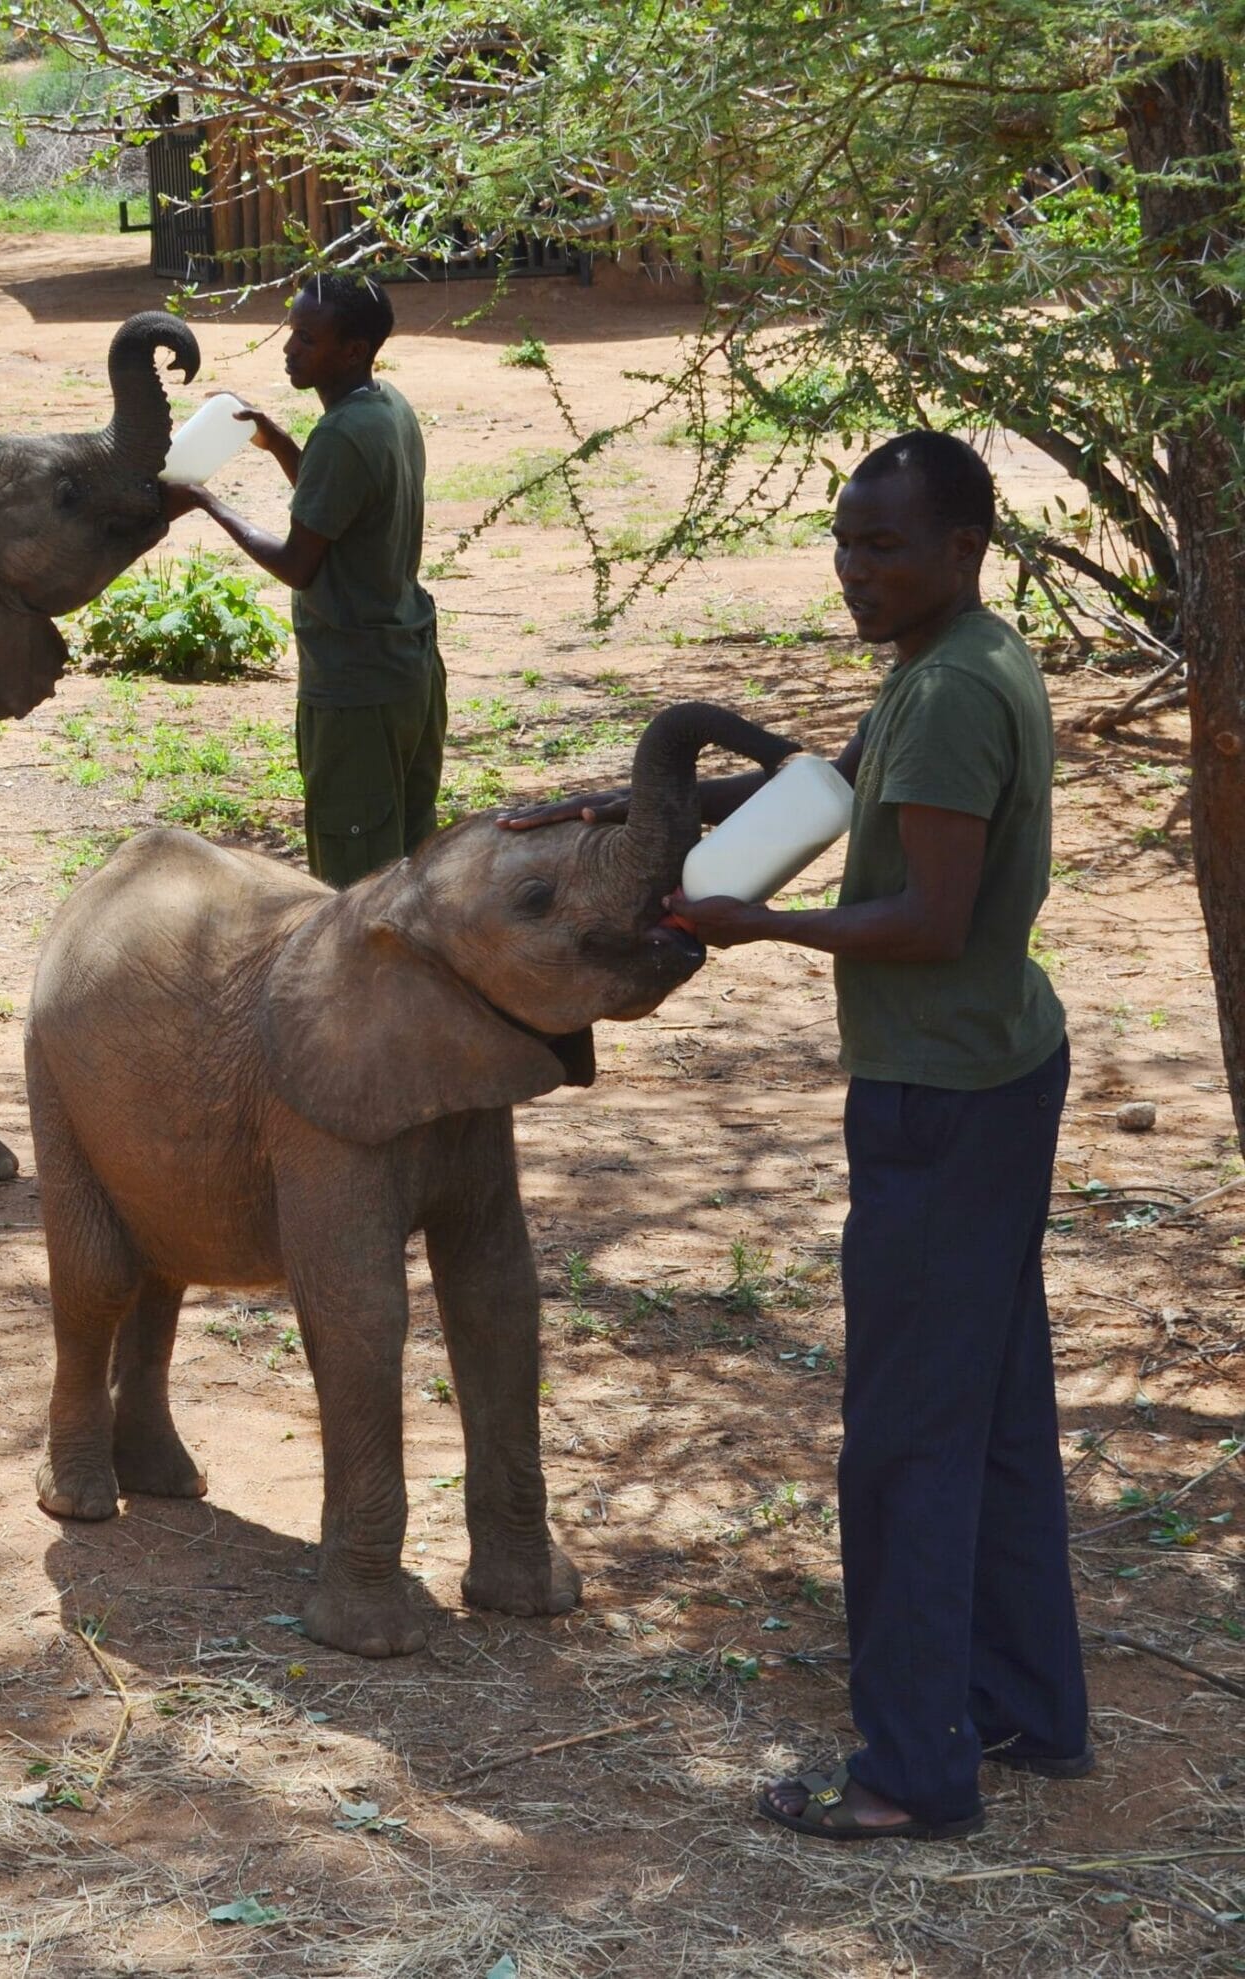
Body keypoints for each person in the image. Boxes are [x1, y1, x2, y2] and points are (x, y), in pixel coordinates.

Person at [505, 429, 1086, 1840]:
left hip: (940, 1100)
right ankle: (1024, 1706)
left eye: (887, 547)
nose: (858, 571)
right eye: (846, 541)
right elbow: (825, 793)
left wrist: (764, 922)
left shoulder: (946, 695)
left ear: (965, 548)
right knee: (994, 1412)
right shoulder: (957, 660)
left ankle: (907, 1771)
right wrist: (624, 805)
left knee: (904, 1438)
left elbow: (927, 919)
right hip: (1000, 1066)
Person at [166, 271, 444, 886]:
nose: (291, 349)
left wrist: (210, 504)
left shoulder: (343, 434)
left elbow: (298, 562)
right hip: (407, 668)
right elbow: (341, 505)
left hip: (355, 688)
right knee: (407, 866)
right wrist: (279, 442)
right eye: (292, 333)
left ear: (352, 351)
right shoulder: (385, 407)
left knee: (358, 883)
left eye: (308, 339)